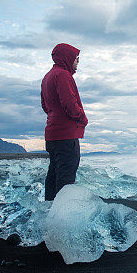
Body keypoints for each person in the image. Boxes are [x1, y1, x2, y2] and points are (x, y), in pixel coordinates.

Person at [41, 43, 88, 201]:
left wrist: (55, 117)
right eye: (76, 58)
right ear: (68, 57)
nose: (78, 61)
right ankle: (62, 218)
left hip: (53, 134)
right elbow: (69, 103)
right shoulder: (62, 75)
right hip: (66, 135)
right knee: (66, 177)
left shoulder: (48, 76)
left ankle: (49, 209)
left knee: (54, 175)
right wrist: (82, 118)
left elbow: (45, 106)